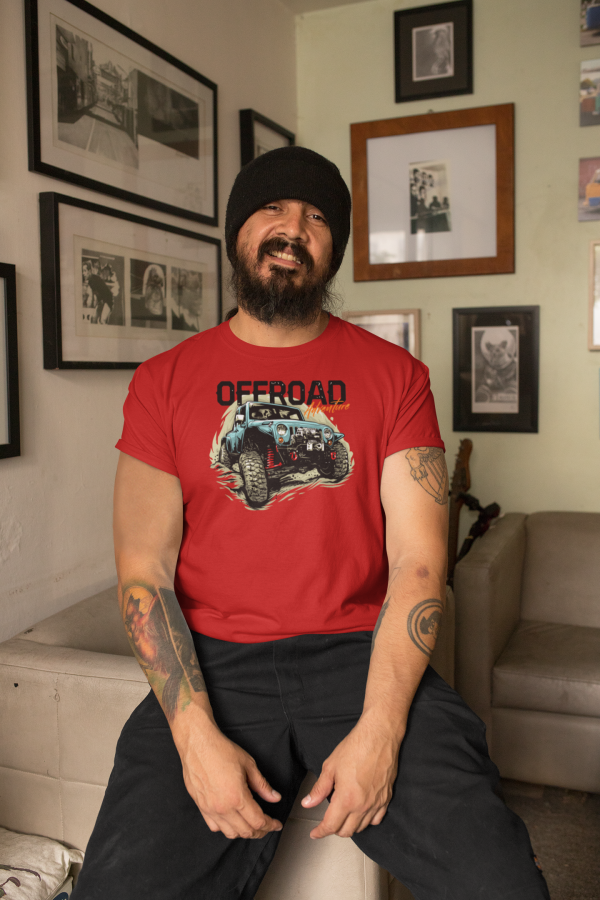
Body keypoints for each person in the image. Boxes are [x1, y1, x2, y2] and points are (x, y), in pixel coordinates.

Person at [72, 146, 550, 900]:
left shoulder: (396, 377)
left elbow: (420, 565)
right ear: (237, 231)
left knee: (501, 883)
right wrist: (194, 739)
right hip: (215, 662)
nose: (293, 228)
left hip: (360, 656)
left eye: (318, 216)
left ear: (334, 250)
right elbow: (144, 573)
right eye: (272, 208)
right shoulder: (163, 382)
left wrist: (382, 732)